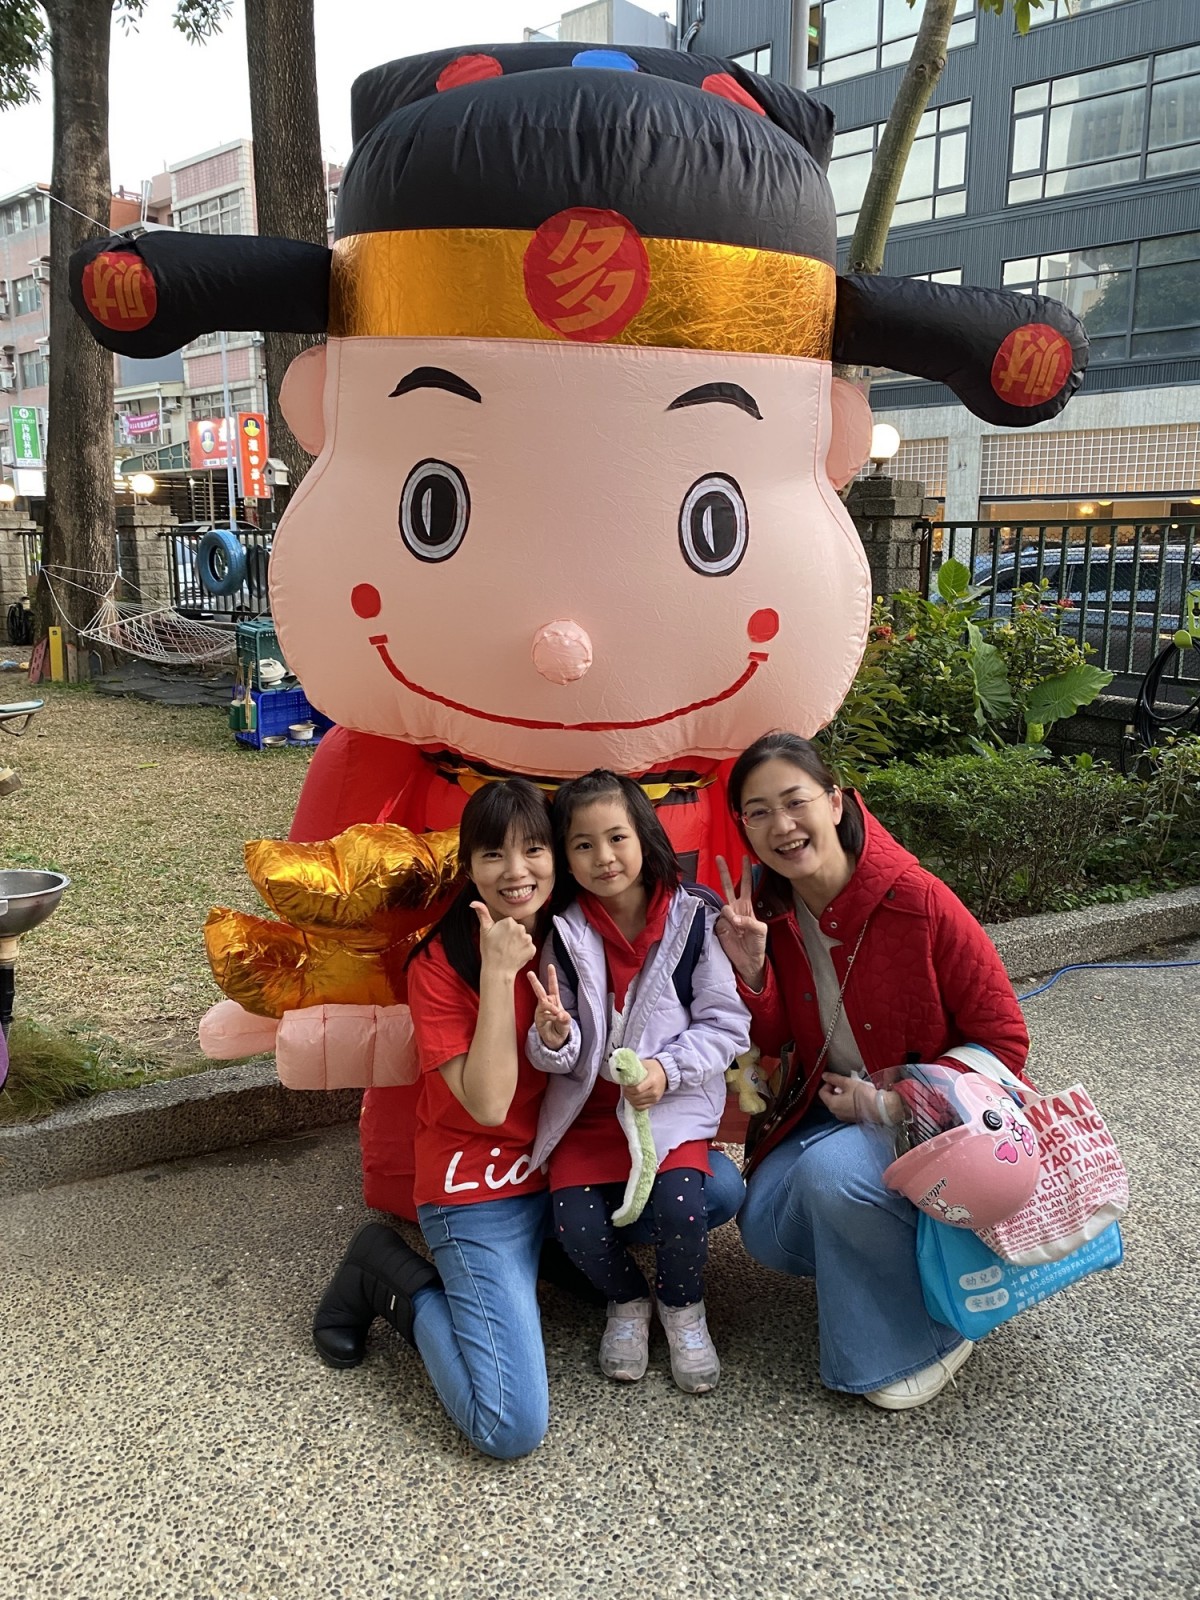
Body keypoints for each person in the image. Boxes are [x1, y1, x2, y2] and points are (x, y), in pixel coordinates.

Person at [715, 732, 1031, 1411]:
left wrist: (890, 1102)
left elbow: (1003, 1038)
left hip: (937, 1121)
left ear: (835, 802)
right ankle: (907, 1263)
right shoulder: (768, 907)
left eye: (795, 801)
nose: (781, 825)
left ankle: (931, 1333)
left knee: (831, 1178)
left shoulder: (917, 898)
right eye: (758, 812)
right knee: (765, 1223)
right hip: (827, 1108)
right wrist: (753, 971)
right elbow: (774, 1038)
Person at [311, 778, 558, 1459]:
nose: (516, 871)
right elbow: (488, 1104)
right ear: (468, 867)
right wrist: (499, 975)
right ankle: (385, 1273)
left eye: (534, 849)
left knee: (708, 1191)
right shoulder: (440, 966)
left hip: (560, 1179)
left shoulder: (570, 934)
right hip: (476, 1190)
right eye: (493, 854)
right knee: (507, 1426)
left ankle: (553, 1263)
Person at [527, 771, 750, 1395]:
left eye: (616, 837)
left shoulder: (693, 919)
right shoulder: (564, 931)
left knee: (682, 1208)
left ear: (644, 835)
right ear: (565, 855)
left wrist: (665, 1070)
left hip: (667, 1109)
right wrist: (555, 1038)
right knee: (574, 1224)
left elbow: (726, 1023)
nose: (603, 857)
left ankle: (683, 1308)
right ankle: (627, 1301)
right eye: (583, 844)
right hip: (589, 1114)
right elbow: (557, 1052)